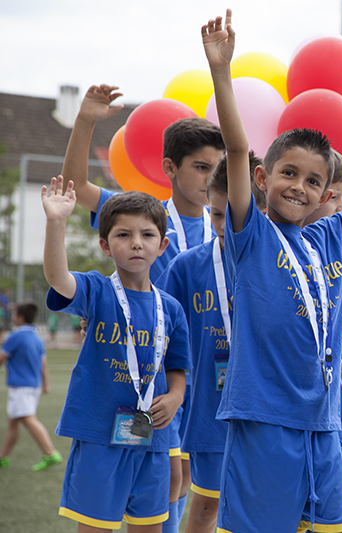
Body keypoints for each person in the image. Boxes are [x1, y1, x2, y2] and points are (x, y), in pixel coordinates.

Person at [201, 10, 342, 532]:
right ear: (262, 177)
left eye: (312, 180)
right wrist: (221, 71)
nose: (299, 186)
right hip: (264, 420)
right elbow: (235, 147)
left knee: (335, 524)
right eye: (288, 173)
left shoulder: (329, 236)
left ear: (328, 193)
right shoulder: (249, 233)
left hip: (324, 422)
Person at [62, 85, 225, 532]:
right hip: (150, 379)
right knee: (167, 479)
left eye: (218, 169)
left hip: (210, 378)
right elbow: (75, 187)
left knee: (198, 486)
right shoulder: (148, 219)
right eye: (201, 168)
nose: (211, 179)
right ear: (170, 168)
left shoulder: (231, 226)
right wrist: (86, 121)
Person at [43, 180, 191, 531]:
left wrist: (175, 396)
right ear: (105, 245)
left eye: (147, 235)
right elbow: (58, 278)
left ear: (163, 245)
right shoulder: (95, 290)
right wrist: (56, 223)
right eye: (123, 235)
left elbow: (177, 366)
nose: (136, 243)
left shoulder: (170, 309)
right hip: (99, 437)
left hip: (152, 439)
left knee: (150, 526)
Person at [155, 152, 260, 533]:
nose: (222, 224)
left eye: (230, 214)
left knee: (260, 506)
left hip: (267, 407)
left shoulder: (275, 261)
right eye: (215, 214)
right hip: (211, 410)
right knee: (205, 507)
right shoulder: (186, 266)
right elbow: (160, 324)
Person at [0, 302, 62, 471]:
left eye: (14, 315)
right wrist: (46, 385)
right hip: (32, 385)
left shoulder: (15, 336)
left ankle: (50, 453)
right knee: (13, 421)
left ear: (20, 318)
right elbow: (44, 364)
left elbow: (2, 358)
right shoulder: (36, 337)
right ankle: (3, 457)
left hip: (20, 386)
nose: (12, 318)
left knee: (28, 419)